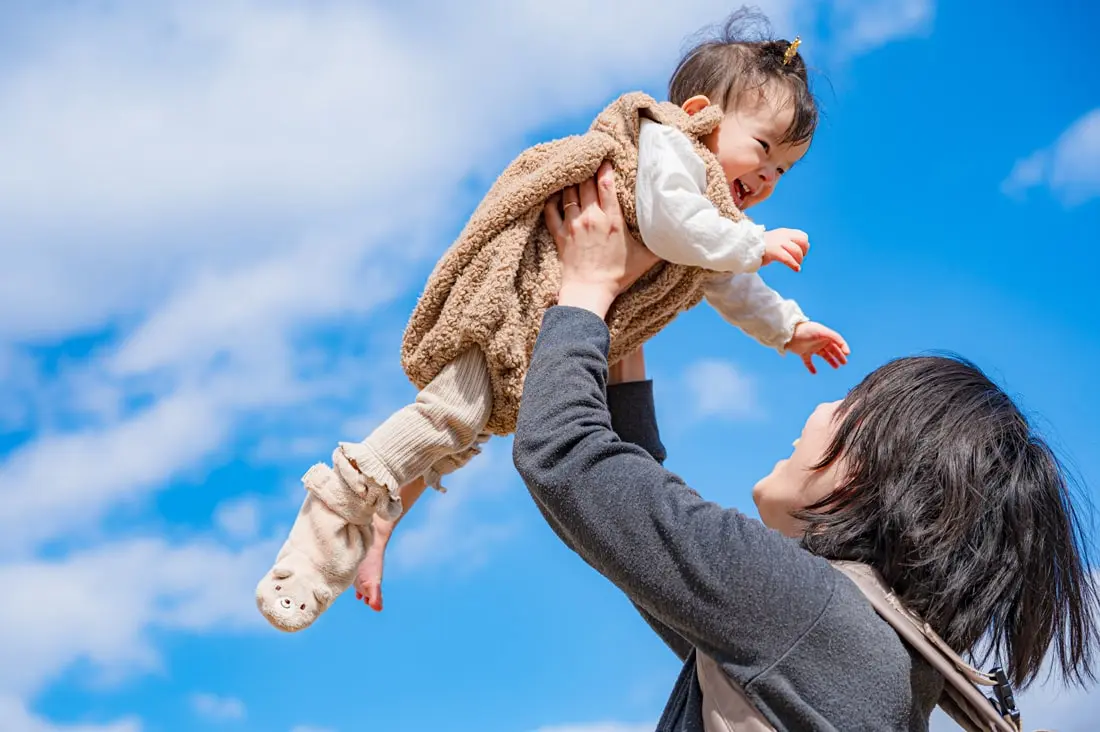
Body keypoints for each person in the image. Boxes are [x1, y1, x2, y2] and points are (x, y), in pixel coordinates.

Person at [256, 9, 850, 632]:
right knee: (449, 417)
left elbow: (731, 284)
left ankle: (379, 521)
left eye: (783, 169)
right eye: (761, 148)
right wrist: (755, 242)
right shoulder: (668, 147)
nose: (766, 175)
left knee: (455, 431)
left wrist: (787, 327)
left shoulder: (713, 221)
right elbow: (678, 227)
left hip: (548, 327)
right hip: (512, 311)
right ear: (700, 112)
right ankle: (319, 538)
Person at [510, 164, 1099, 729]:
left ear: (868, 475)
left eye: (846, 407)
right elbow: (640, 537)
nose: (819, 409)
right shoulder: (875, 657)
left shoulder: (802, 612)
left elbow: (563, 452)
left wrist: (587, 286)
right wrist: (623, 324)